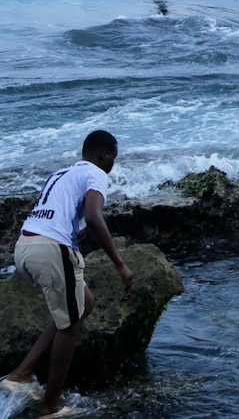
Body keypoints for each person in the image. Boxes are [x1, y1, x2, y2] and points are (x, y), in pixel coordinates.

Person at [1, 130, 134, 419]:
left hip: (25, 246)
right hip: (51, 248)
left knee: (82, 305)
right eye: (113, 158)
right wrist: (120, 264)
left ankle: (21, 374)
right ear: (105, 155)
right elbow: (93, 217)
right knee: (70, 325)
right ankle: (50, 407)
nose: (112, 164)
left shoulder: (62, 173)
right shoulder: (96, 173)